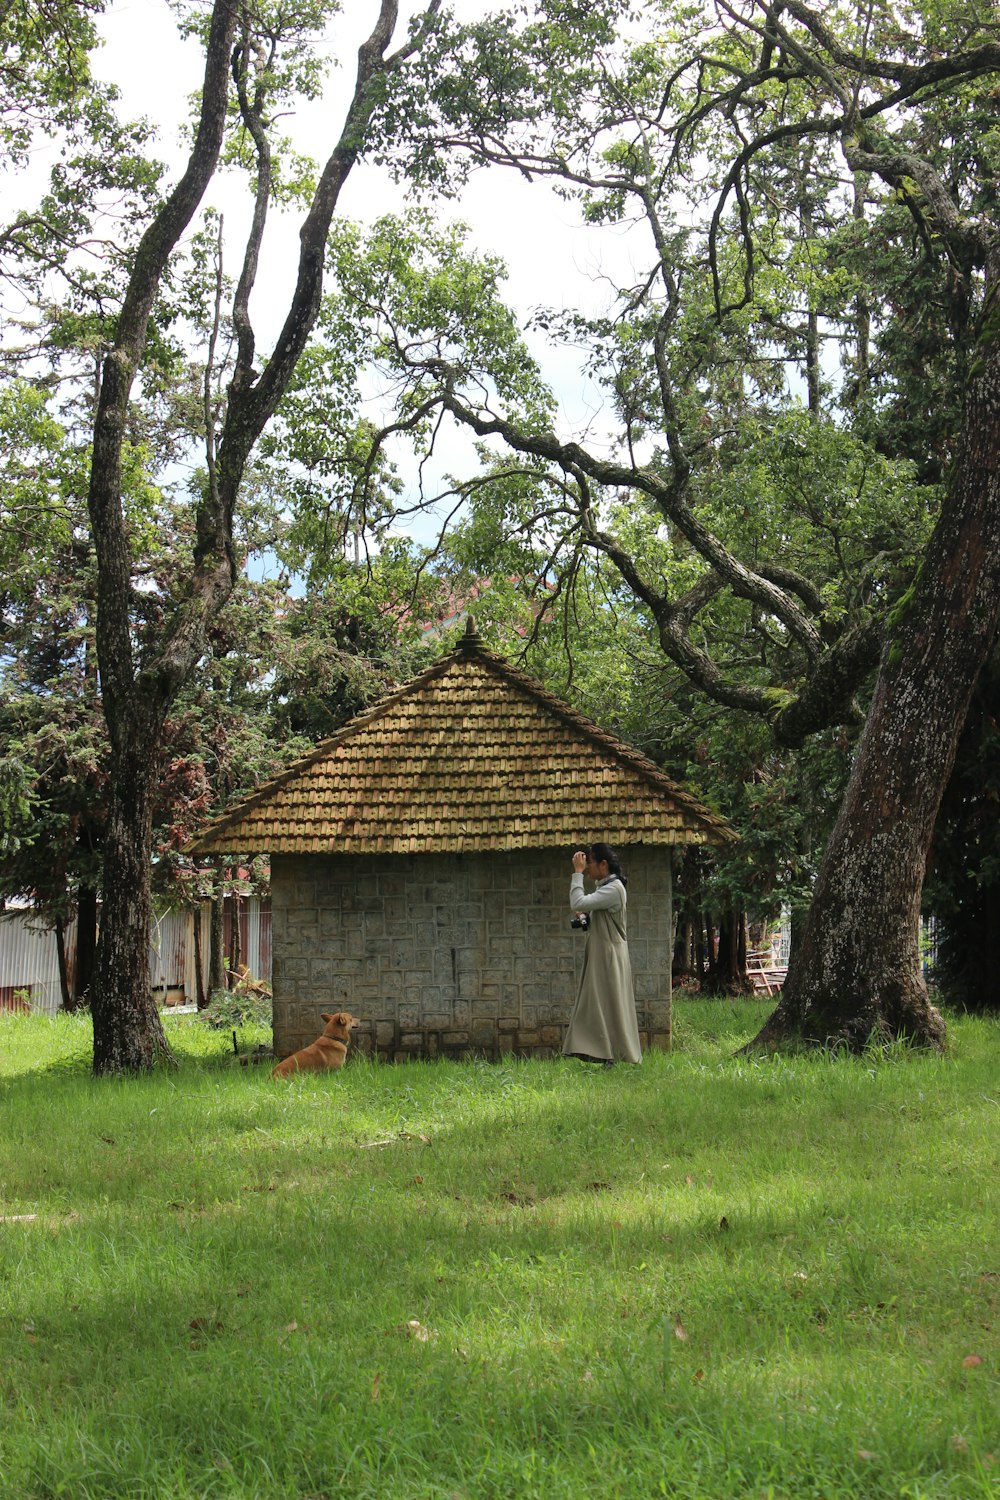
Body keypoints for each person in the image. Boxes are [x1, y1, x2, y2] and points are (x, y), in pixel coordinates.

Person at [562, 842, 642, 1066]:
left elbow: (577, 901)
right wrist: (585, 919)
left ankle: (617, 1055)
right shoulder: (606, 887)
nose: (587, 869)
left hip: (608, 956)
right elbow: (595, 917)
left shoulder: (614, 889)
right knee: (600, 1004)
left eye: (590, 864)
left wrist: (576, 874)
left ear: (604, 865)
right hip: (604, 953)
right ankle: (605, 1053)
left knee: (611, 1005)